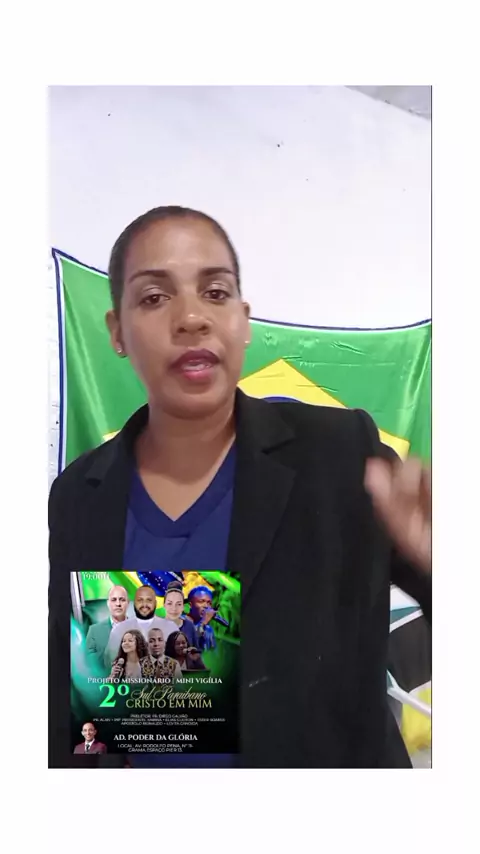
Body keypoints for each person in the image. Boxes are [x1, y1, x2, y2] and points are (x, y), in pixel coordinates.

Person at [49, 205, 432, 769]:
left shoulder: (338, 455)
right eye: (154, 297)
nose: (191, 318)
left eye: (215, 292)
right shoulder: (82, 493)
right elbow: (78, 701)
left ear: (243, 320)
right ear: (117, 331)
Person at [105, 584, 177, 666]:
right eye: (140, 600)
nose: (144, 604)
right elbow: (109, 661)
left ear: (155, 603)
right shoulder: (119, 629)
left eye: (149, 600)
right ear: (134, 603)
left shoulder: (171, 628)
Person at [85, 584, 129, 670]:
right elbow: (88, 665)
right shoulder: (94, 631)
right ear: (108, 603)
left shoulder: (138, 628)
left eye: (122, 600)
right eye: (114, 600)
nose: (118, 604)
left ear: (127, 603)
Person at [162, 582, 197, 646]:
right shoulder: (157, 627)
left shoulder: (189, 625)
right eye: (170, 603)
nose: (174, 608)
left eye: (178, 604)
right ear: (164, 605)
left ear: (183, 606)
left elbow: (196, 650)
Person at [184, 586, 217, 651]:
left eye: (209, 603)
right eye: (201, 601)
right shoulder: (180, 622)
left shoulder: (208, 629)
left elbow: (211, 653)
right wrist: (203, 623)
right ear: (190, 605)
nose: (206, 606)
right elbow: (189, 644)